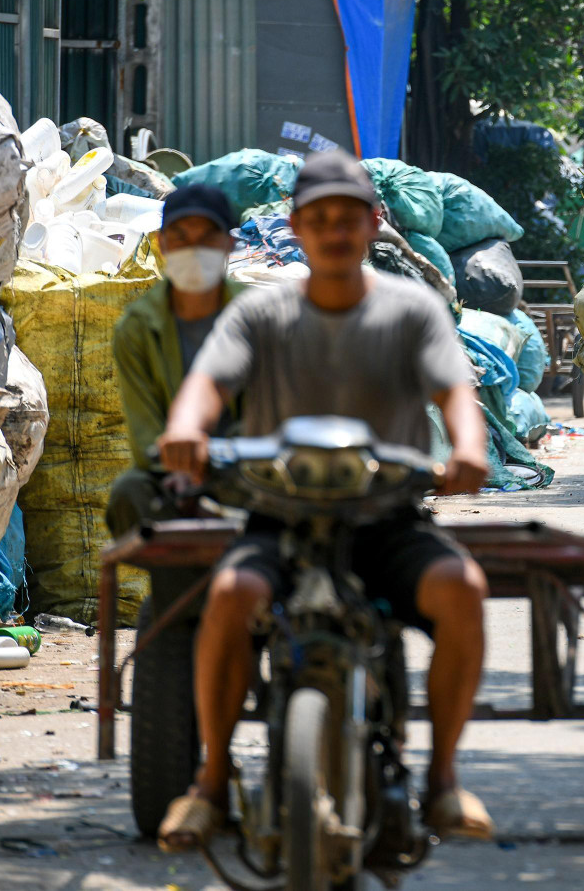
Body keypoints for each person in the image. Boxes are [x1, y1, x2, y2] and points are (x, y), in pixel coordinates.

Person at [151, 149, 494, 852]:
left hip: (387, 517)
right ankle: (211, 784)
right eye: (319, 220)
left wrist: (467, 448)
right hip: (281, 518)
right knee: (228, 597)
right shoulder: (263, 311)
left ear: (373, 225)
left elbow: (454, 389)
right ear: (297, 227)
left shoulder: (412, 308)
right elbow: (209, 383)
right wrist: (187, 430)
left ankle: (446, 778)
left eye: (348, 219)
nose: (335, 232)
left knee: (463, 587)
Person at [106, 184, 245, 539]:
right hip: (174, 474)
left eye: (207, 237)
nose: (194, 250)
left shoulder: (257, 315)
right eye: (181, 237)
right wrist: (182, 468)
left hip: (250, 469)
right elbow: (145, 436)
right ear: (163, 244)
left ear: (229, 245)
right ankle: (177, 594)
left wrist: (217, 462)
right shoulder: (137, 328)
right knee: (129, 496)